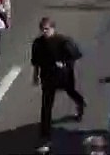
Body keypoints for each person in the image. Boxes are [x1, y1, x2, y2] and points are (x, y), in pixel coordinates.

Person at [31, 17, 86, 153]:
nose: (44, 32)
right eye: (42, 29)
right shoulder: (38, 43)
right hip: (47, 77)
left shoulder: (63, 41)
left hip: (63, 75)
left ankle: (80, 104)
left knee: (71, 92)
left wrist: (65, 63)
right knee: (46, 104)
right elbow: (36, 61)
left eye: (47, 29)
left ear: (53, 28)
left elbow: (76, 55)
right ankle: (45, 132)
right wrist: (35, 76)